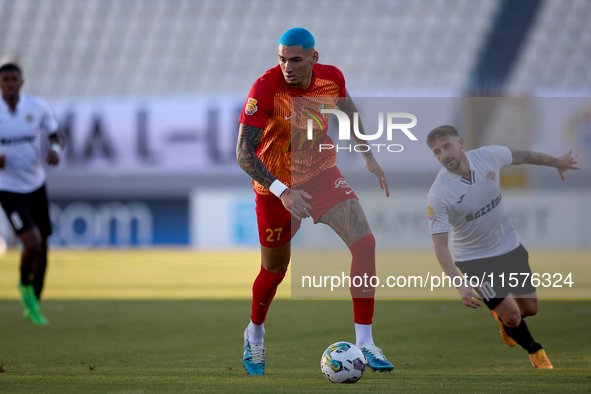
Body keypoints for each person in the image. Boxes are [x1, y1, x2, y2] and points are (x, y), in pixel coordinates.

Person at [236, 28, 393, 375]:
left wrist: (367, 155)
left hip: (321, 173)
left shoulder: (331, 78)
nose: (287, 67)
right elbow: (243, 153)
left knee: (365, 244)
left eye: (294, 60)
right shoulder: (265, 88)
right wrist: (283, 191)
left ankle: (365, 343)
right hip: (276, 187)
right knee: (275, 270)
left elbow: (350, 111)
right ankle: (255, 333)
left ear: (313, 58)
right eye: (281, 59)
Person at [426, 125, 579, 369]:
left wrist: (557, 162)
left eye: (447, 146)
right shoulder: (439, 194)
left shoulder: (488, 155)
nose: (444, 154)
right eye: (437, 152)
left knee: (530, 308)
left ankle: (501, 317)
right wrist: (459, 282)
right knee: (512, 315)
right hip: (474, 261)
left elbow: (523, 155)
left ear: (461, 143)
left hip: (509, 248)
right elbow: (440, 246)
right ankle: (535, 350)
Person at [0, 63, 65, 325]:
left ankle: (34, 303)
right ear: (0, 84)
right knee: (33, 243)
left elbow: (56, 135)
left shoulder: (36, 107)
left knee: (44, 249)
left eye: (14, 79)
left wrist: (57, 150)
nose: (10, 84)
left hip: (36, 185)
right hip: (8, 189)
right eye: (5, 80)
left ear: (22, 82)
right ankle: (23, 285)